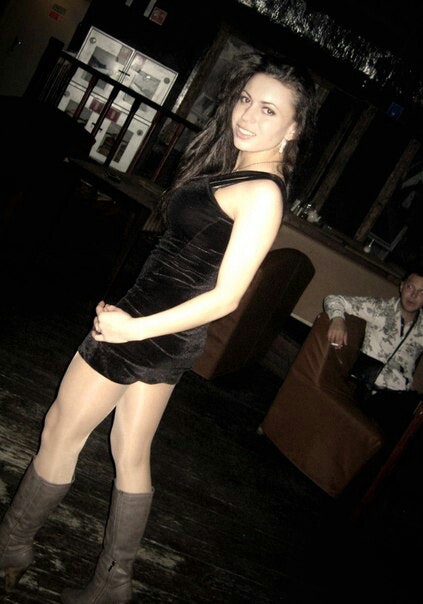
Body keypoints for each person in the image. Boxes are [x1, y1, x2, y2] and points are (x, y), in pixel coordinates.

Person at [0, 52, 317, 602]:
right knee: (130, 452)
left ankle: (11, 547)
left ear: (293, 129)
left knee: (59, 434)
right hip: (162, 334)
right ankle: (113, 583)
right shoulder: (242, 171)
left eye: (269, 110)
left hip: (145, 333)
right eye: (246, 99)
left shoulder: (263, 192)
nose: (247, 116)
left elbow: (226, 298)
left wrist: (131, 329)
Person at [324, 267, 423, 443]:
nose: (413, 295)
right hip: (372, 390)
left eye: (421, 292)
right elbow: (334, 299)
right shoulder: (380, 308)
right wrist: (338, 319)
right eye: (410, 287)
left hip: (403, 397)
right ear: (401, 287)